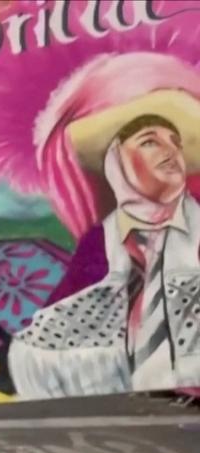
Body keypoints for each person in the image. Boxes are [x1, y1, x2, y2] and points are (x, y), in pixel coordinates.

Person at [10, 89, 200, 398]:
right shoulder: (101, 242)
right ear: (116, 159)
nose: (170, 150)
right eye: (150, 141)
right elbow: (56, 323)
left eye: (175, 142)